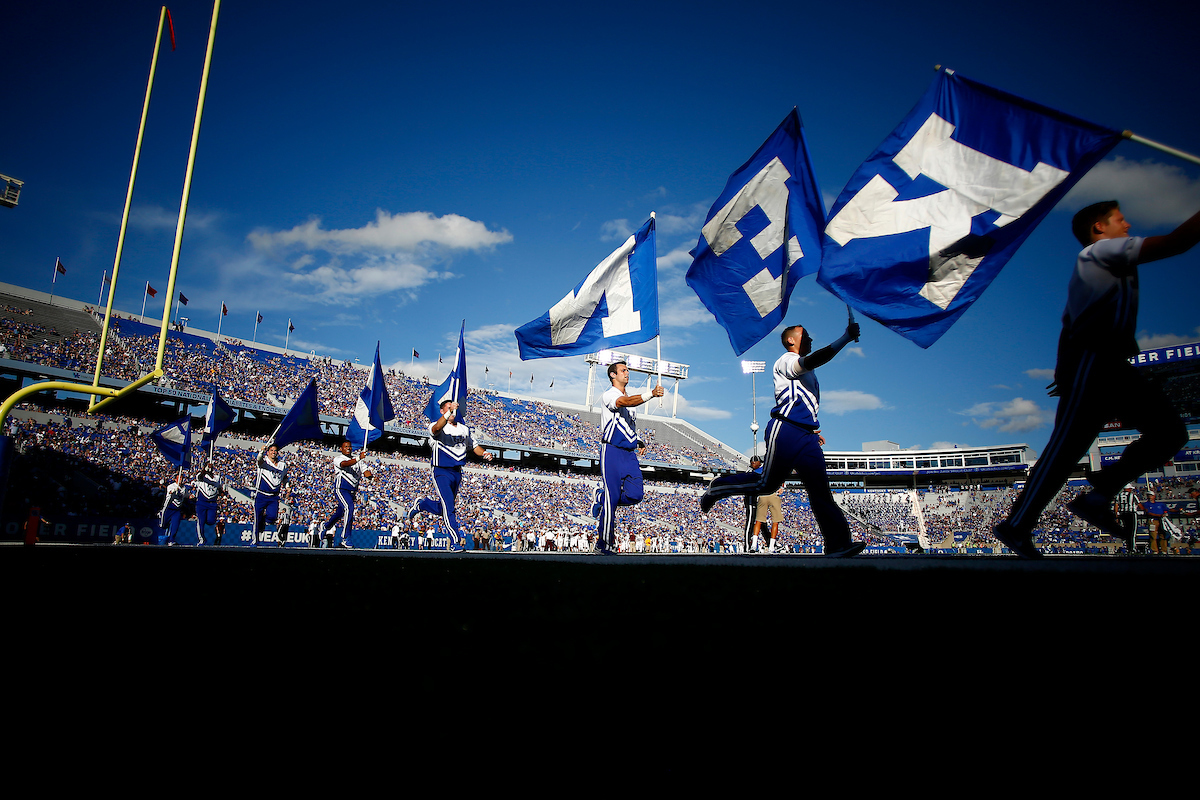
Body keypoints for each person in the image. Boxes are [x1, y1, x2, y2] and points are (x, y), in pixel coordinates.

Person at [994, 200, 1200, 558]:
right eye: (1120, 220)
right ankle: (1015, 525)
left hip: (1111, 364)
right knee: (1065, 451)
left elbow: (1067, 322)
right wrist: (1069, 368)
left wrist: (1061, 369)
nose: (1128, 224)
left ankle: (1100, 491)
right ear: (1099, 228)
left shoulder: (1097, 265)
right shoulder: (1100, 252)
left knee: (1171, 432)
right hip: (1094, 360)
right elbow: (1176, 243)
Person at [700, 321, 864, 557]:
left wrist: (811, 428)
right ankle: (716, 487)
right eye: (805, 335)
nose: (810, 339)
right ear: (791, 341)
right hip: (785, 430)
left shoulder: (809, 372)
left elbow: (804, 401)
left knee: (820, 491)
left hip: (806, 435)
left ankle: (838, 544)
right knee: (765, 485)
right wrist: (845, 338)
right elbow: (814, 359)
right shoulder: (786, 360)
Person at [589, 361, 665, 554]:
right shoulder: (610, 395)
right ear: (613, 375)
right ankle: (604, 544)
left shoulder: (631, 401)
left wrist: (638, 440)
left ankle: (601, 497)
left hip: (628, 454)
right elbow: (625, 403)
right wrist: (651, 394)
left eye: (627, 370)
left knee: (636, 494)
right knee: (612, 497)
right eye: (623, 370)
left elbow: (626, 425)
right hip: (612, 451)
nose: (627, 373)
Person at [407, 400, 493, 551]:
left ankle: (423, 504)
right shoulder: (438, 425)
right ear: (442, 411)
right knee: (449, 507)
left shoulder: (464, 429)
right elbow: (436, 428)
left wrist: (484, 453)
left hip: (456, 472)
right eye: (448, 408)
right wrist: (449, 412)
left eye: (453, 408)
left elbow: (474, 447)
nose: (452, 411)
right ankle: (455, 540)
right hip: (441, 471)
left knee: (444, 508)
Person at [322, 438, 372, 549]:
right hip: (342, 489)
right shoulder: (338, 458)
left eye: (349, 446)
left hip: (352, 491)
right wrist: (359, 457)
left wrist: (370, 476)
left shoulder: (359, 461)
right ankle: (345, 537)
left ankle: (326, 526)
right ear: (341, 449)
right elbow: (345, 464)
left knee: (340, 513)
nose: (348, 448)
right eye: (346, 446)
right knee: (349, 508)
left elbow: (365, 471)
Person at [253, 443, 288, 548]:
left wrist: (287, 486)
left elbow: (285, 476)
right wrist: (261, 451)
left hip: (273, 496)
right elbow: (259, 460)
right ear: (268, 452)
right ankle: (255, 541)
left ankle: (264, 521)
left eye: (275, 450)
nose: (273, 452)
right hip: (261, 494)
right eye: (271, 450)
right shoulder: (264, 462)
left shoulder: (282, 465)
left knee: (272, 517)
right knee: (257, 518)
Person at [192, 462, 225, 547]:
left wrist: (221, 493)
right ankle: (202, 539)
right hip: (202, 502)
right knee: (201, 521)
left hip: (212, 503)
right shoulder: (201, 475)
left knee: (211, 521)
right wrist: (205, 470)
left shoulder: (217, 478)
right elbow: (200, 477)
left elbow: (219, 487)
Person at [159, 473, 188, 546]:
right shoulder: (171, 486)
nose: (181, 480)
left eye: (182, 478)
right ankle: (161, 516)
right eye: (179, 478)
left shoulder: (184, 488)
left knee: (176, 524)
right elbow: (170, 492)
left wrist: (192, 496)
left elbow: (187, 495)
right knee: (163, 525)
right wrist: (175, 490)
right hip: (169, 507)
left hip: (177, 509)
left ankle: (171, 540)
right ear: (176, 479)